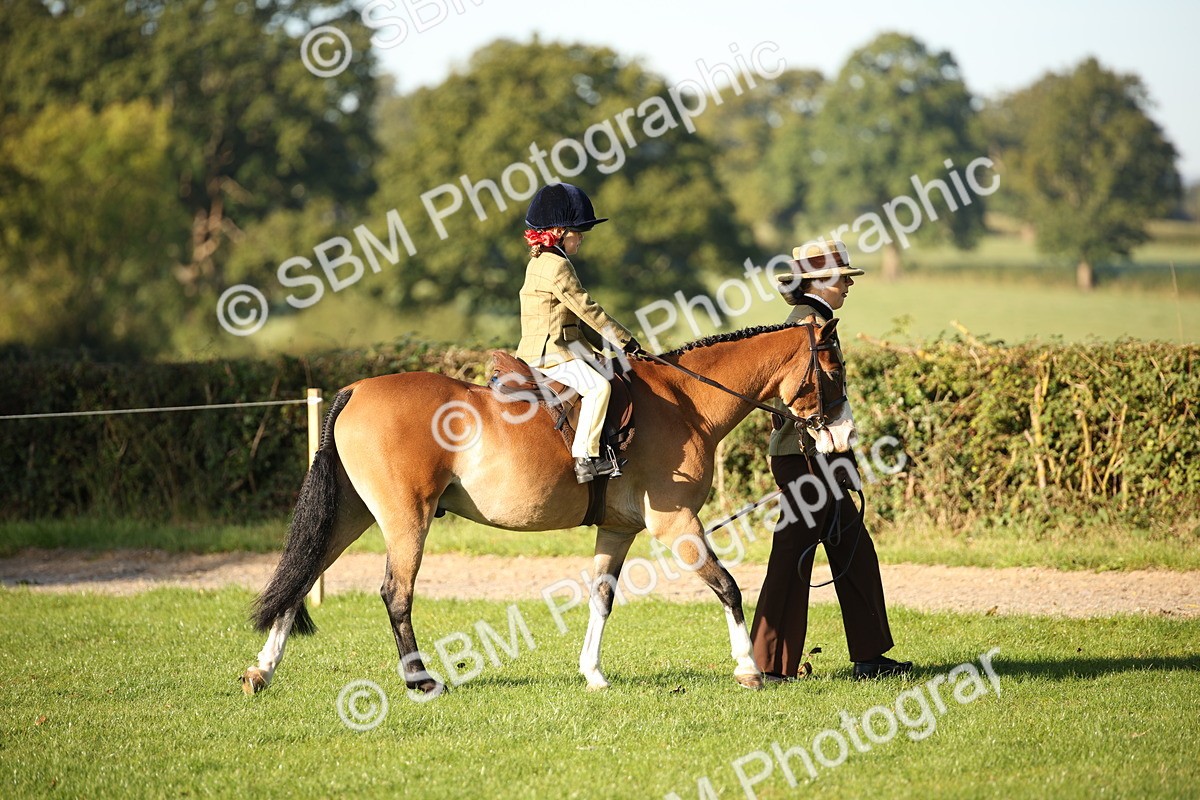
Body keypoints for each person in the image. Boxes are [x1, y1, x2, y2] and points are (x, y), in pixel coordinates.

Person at [749, 239, 912, 681]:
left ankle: (870, 657)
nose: (847, 285)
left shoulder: (814, 320)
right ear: (821, 281)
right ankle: (768, 665)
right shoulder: (806, 325)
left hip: (819, 456)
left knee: (854, 550)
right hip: (803, 457)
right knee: (792, 556)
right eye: (843, 278)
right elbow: (796, 403)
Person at [515, 183, 643, 484]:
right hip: (550, 354)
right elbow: (589, 310)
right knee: (599, 388)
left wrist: (615, 348)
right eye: (578, 232)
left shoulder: (541, 262)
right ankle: (586, 458)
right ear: (559, 232)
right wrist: (626, 340)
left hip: (559, 347)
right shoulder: (557, 266)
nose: (582, 239)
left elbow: (579, 324)